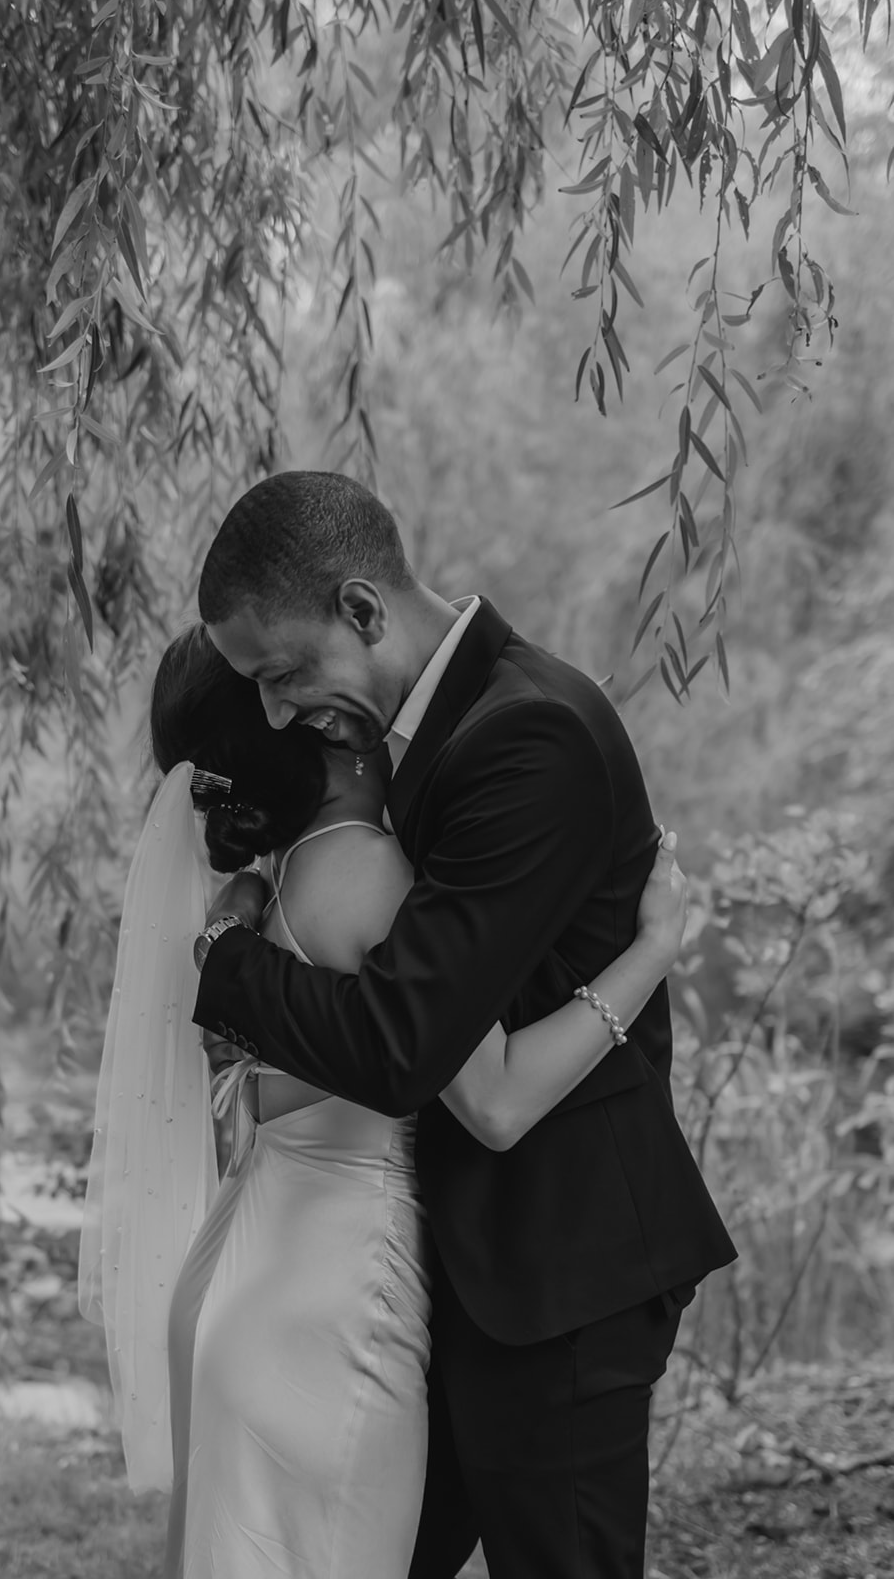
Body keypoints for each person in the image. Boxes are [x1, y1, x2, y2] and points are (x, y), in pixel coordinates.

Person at [190, 470, 737, 1579]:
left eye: (282, 672)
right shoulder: (438, 723)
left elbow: (404, 1044)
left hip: (555, 1269)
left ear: (360, 607)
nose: (275, 714)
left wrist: (228, 966)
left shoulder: (523, 733)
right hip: (448, 1260)